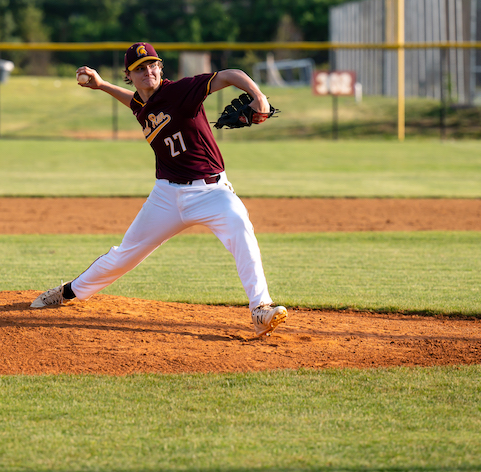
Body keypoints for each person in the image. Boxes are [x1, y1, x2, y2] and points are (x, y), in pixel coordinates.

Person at [30, 43, 288, 338]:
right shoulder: (143, 104)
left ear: (160, 68)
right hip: (165, 196)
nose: (148, 71)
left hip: (210, 192)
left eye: (153, 65)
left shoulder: (180, 91)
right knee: (125, 255)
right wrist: (101, 86)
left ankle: (260, 309)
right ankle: (67, 292)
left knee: (240, 224)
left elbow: (231, 74)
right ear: (129, 75)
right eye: (139, 68)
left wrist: (259, 97)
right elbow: (135, 103)